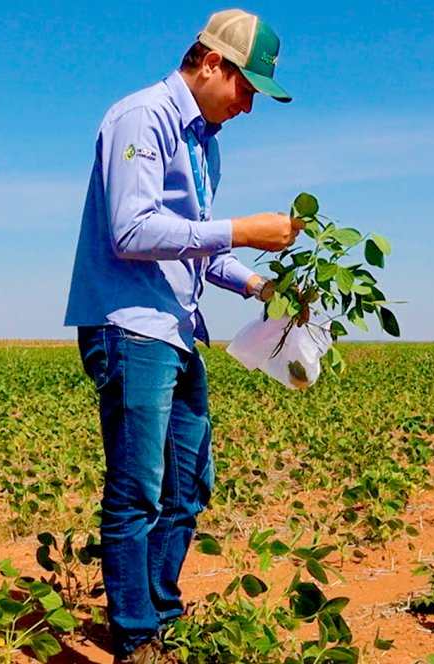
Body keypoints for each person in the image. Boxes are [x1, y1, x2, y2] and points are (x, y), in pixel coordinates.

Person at [64, 9, 299, 663]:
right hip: (130, 325)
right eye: (247, 89)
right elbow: (132, 231)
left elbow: (192, 246)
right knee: (137, 489)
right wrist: (241, 230)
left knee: (189, 485)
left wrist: (259, 285)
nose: (249, 107)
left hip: (177, 329)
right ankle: (136, 638)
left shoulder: (204, 144)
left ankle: (160, 616)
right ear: (213, 64)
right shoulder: (143, 118)